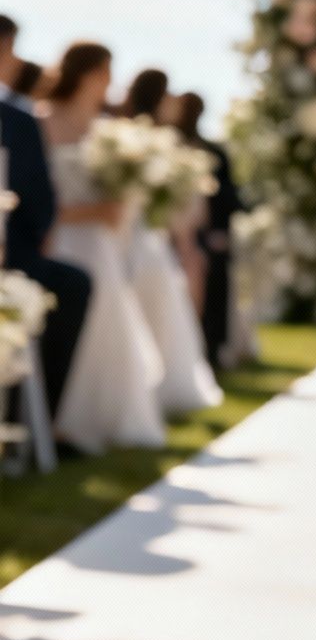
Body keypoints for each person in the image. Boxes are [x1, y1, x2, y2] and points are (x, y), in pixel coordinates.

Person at [41, 43, 166, 453]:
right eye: (107, 72)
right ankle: (51, 418)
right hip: (56, 239)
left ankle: (88, 418)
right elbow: (37, 197)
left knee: (104, 324)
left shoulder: (108, 131)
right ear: (90, 72)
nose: (110, 82)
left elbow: (122, 198)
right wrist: (91, 212)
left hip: (99, 245)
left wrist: (117, 209)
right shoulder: (40, 122)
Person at [0, 15, 93, 424]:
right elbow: (38, 201)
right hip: (10, 258)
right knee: (73, 285)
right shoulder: (16, 122)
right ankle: (33, 416)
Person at [116, 68, 220, 416]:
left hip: (155, 234)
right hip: (135, 233)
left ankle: (159, 385)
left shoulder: (166, 139)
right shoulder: (130, 136)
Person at [173, 91, 242, 371]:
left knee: (216, 284)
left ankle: (213, 348)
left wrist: (218, 232)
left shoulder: (213, 152)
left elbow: (227, 197)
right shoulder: (170, 144)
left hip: (206, 234)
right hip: (174, 235)